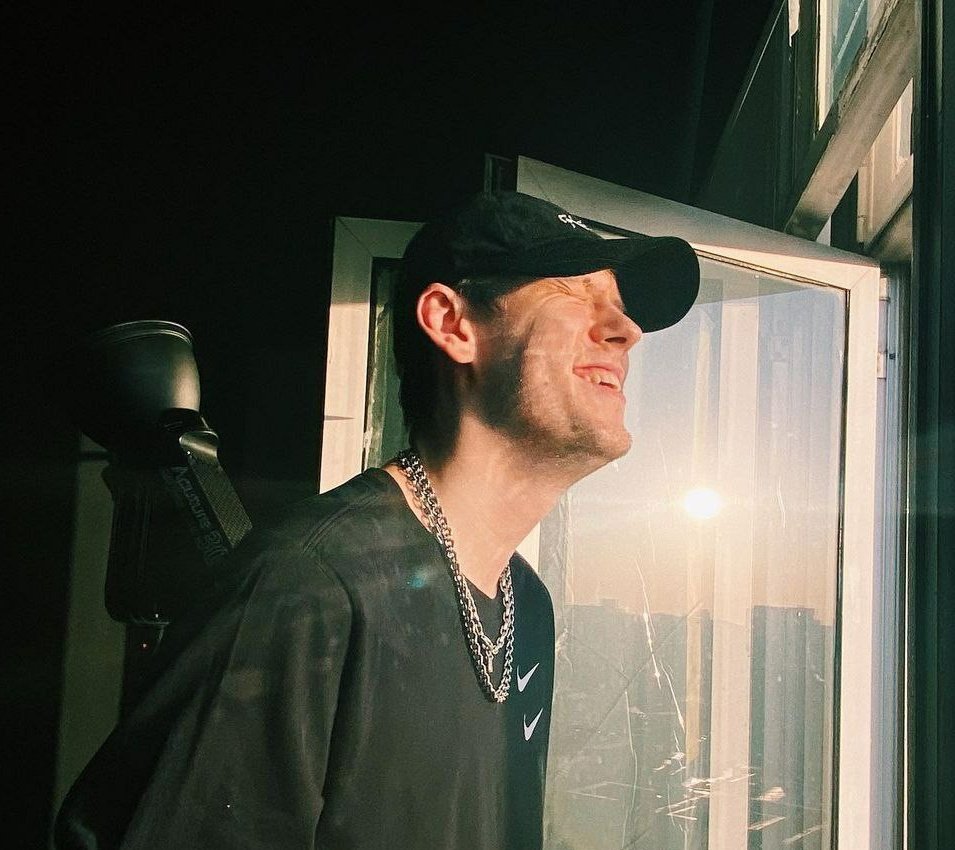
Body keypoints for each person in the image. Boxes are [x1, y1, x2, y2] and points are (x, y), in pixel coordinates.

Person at [55, 190, 700, 849]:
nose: (626, 330)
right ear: (453, 324)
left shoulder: (524, 606)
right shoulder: (306, 589)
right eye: (575, 291)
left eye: (617, 304)